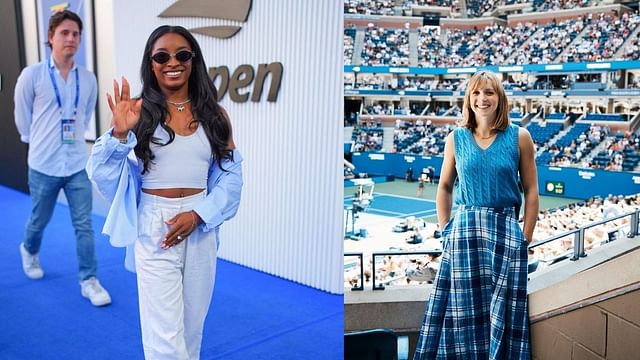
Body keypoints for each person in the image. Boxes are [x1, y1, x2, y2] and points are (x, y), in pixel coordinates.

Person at [86, 25, 242, 359]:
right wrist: (117, 134)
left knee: (191, 328)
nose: (173, 62)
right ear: (151, 63)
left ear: (194, 60)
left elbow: (231, 177)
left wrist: (198, 215)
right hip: (155, 227)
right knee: (164, 336)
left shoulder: (216, 115)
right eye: (162, 56)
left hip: (201, 227)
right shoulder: (138, 114)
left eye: (182, 54)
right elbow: (101, 173)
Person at [414, 71, 538, 359]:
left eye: (489, 93)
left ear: (500, 98)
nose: (483, 99)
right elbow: (444, 187)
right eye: (476, 93)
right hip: (464, 236)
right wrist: (446, 231)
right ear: (469, 99)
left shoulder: (520, 137)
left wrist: (525, 238)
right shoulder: (455, 138)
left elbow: (531, 192)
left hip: (505, 235)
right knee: (461, 315)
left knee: (504, 314)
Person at [13, 10, 111, 306]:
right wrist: (38, 143)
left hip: (77, 163)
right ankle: (29, 250)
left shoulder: (89, 79)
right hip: (43, 164)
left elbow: (86, 114)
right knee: (38, 220)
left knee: (84, 224)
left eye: (76, 34)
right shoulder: (32, 75)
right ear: (51, 37)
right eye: (65, 33)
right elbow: (22, 117)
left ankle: (89, 279)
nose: (71, 38)